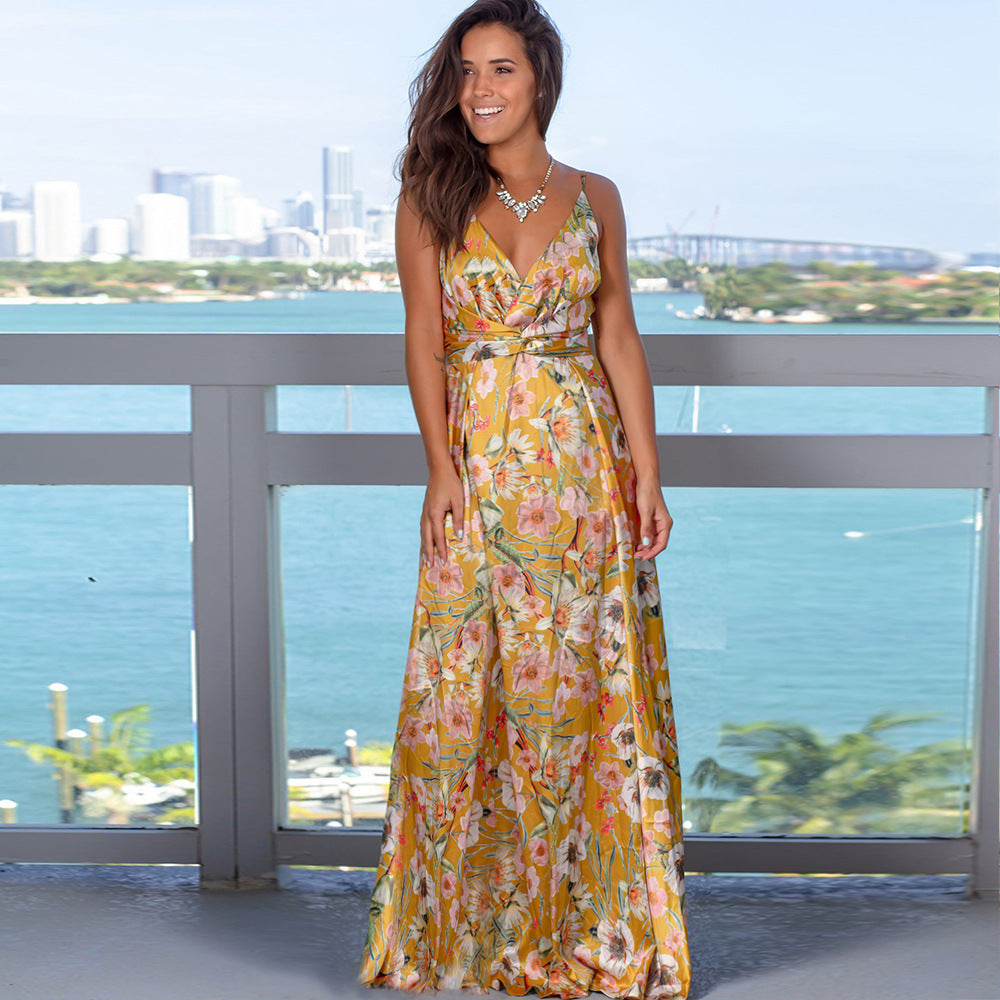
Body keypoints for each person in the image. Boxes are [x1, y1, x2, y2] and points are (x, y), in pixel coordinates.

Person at [357, 1, 690, 996]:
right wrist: (440, 467)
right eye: (465, 71)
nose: (480, 91)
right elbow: (422, 341)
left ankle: (589, 927)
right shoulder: (431, 193)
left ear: (539, 79)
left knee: (582, 696)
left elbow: (617, 336)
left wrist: (647, 470)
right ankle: (463, 931)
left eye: (500, 69)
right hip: (479, 471)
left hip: (585, 473)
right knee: (463, 701)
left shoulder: (595, 195)